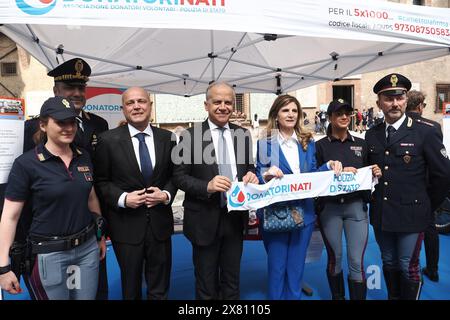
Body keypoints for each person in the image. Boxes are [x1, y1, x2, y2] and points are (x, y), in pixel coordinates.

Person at [0, 97, 106, 299]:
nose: (68, 128)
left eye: (72, 122)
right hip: (49, 255)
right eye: (60, 122)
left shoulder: (83, 156)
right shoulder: (26, 164)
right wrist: (3, 268)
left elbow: (90, 196)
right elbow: (10, 217)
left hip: (86, 251)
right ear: (43, 124)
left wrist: (99, 235)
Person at [22, 57, 110, 300]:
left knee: (92, 292)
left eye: (81, 87)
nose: (77, 93)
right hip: (49, 233)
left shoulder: (99, 125)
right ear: (56, 90)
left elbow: (99, 179)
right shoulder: (31, 129)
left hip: (89, 230)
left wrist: (101, 228)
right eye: (70, 87)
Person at [365, 73, 450, 300]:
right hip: (382, 213)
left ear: (405, 99)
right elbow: (366, 172)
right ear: (379, 103)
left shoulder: (425, 130)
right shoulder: (372, 134)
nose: (395, 103)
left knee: (407, 265)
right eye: (388, 98)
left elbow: (443, 174)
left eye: (400, 97)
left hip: (412, 213)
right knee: (389, 261)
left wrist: (426, 204)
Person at [172, 82, 258, 300]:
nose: (223, 107)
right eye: (217, 102)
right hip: (203, 219)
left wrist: (252, 175)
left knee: (232, 281)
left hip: (235, 219)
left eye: (228, 102)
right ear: (206, 104)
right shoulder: (189, 136)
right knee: (206, 285)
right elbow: (179, 177)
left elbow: (249, 167)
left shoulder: (243, 135)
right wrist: (206, 186)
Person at [255, 94, 343, 300]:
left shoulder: (307, 141)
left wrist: (327, 166)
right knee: (277, 267)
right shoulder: (265, 144)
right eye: (285, 110)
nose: (291, 114)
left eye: (294, 110)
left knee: (296, 268)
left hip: (304, 213)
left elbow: (311, 174)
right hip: (276, 213)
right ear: (276, 115)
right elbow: (259, 176)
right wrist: (266, 174)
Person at [94, 87, 177, 300]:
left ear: (150, 105)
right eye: (130, 103)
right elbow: (101, 181)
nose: (137, 106)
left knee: (160, 288)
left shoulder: (168, 138)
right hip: (126, 228)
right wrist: (123, 198)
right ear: (123, 109)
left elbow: (175, 176)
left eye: (141, 101)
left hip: (160, 226)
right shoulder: (107, 140)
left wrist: (166, 194)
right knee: (130, 289)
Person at [315, 99, 382, 300]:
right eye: (339, 113)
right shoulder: (319, 146)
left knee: (355, 261)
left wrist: (375, 172)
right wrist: (336, 171)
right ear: (330, 117)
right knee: (335, 259)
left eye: (347, 113)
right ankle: (338, 297)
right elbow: (313, 176)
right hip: (330, 210)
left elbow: (371, 173)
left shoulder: (362, 144)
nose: (344, 117)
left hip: (356, 210)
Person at [406, 90, 443, 282]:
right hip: (426, 190)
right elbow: (442, 170)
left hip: (411, 189)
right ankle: (433, 268)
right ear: (420, 106)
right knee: (429, 229)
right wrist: (434, 200)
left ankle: (411, 266)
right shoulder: (433, 126)